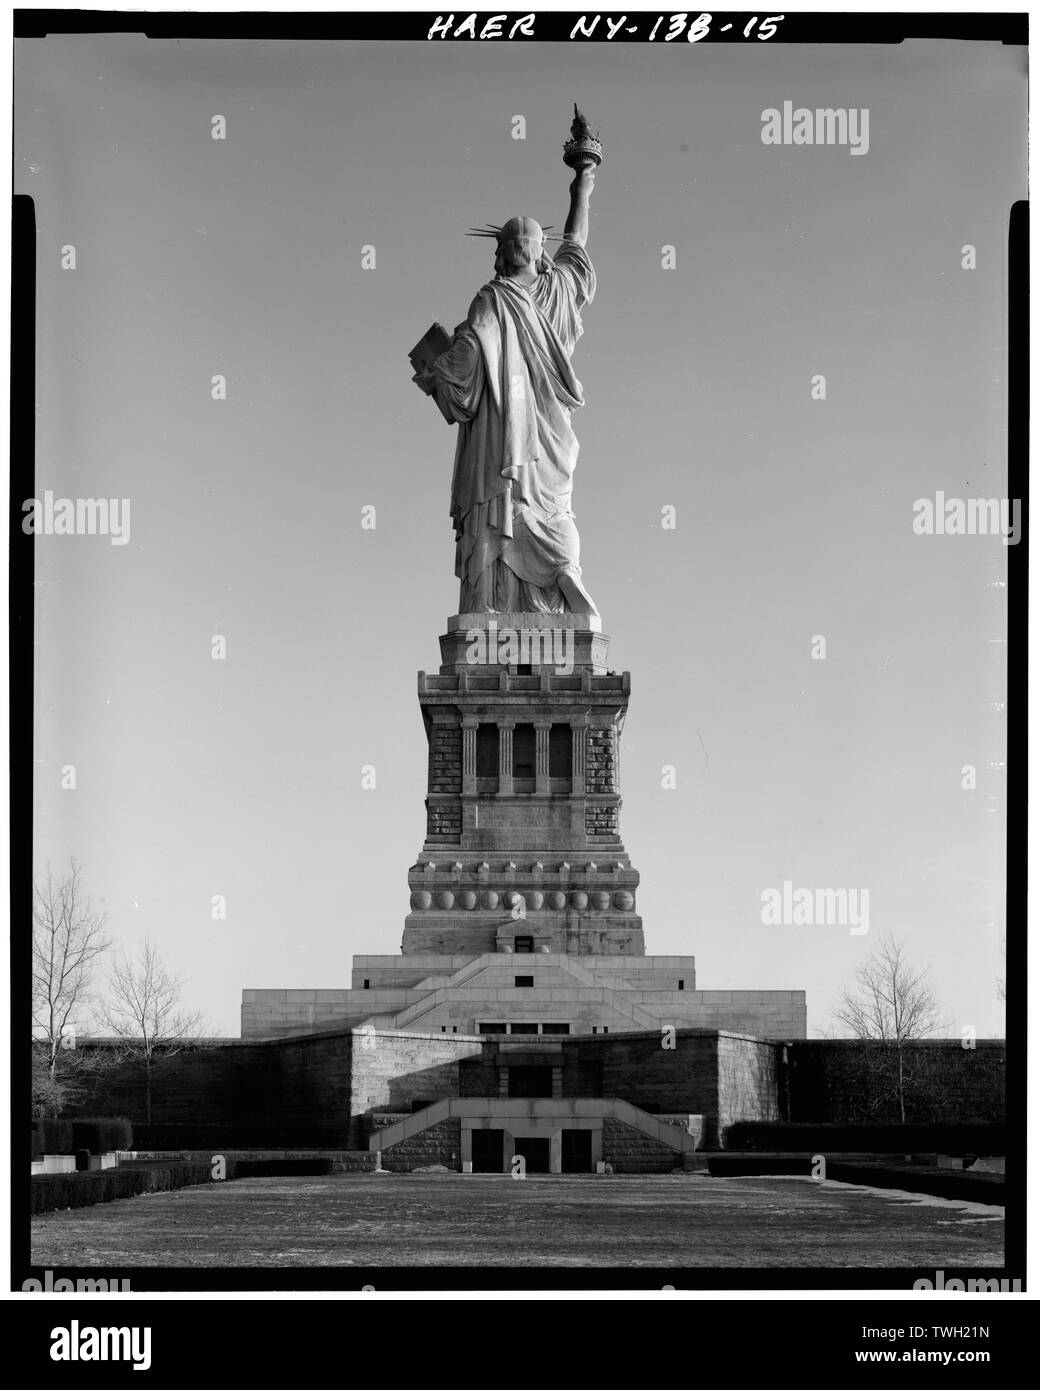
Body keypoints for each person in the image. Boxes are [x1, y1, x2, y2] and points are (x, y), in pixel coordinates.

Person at [415, 163, 600, 616]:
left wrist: (433, 369)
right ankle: (560, 575)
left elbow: (463, 368)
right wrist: (584, 182)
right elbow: (575, 246)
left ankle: (491, 604)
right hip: (546, 437)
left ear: (501, 255)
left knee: (502, 504)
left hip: (501, 439)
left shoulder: (492, 299)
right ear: (541, 255)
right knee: (551, 509)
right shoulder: (555, 293)